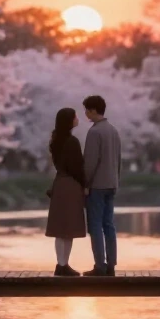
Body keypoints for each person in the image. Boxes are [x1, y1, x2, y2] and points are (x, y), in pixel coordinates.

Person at [81, 95, 122, 276]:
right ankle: (111, 264)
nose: (85, 113)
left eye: (87, 109)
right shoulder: (113, 130)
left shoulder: (94, 132)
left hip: (97, 184)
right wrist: (116, 180)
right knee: (108, 224)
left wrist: (85, 183)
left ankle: (100, 265)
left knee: (95, 224)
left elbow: (90, 162)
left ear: (93, 110)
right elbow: (118, 159)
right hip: (111, 183)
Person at [45, 108, 87, 277]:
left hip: (59, 183)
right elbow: (77, 167)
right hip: (71, 185)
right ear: (69, 120)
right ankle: (65, 265)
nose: (77, 119)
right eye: (75, 116)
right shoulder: (72, 142)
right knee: (68, 228)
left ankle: (60, 264)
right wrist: (85, 184)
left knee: (59, 227)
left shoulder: (55, 141)